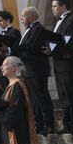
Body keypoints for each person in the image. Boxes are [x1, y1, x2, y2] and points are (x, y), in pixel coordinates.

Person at [11, 7, 55, 135]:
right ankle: (39, 124)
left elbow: (30, 46)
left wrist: (13, 49)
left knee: (42, 97)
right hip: (29, 69)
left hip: (37, 68)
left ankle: (49, 124)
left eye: (24, 16)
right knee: (34, 100)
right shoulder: (30, 29)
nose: (22, 19)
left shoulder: (38, 29)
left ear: (31, 16)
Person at [49, 0, 73, 134]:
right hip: (59, 62)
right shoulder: (57, 22)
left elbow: (71, 40)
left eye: (54, 6)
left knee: (72, 93)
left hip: (68, 61)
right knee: (63, 94)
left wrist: (59, 50)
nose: (52, 9)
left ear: (63, 6)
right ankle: (68, 123)